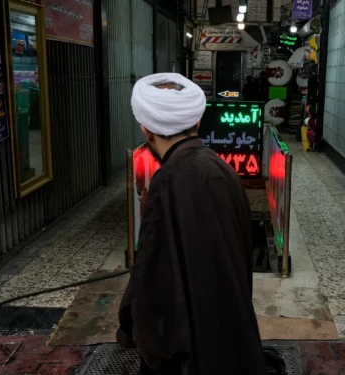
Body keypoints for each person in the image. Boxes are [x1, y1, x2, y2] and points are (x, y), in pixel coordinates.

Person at [118, 72, 267, 375]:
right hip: (232, 334)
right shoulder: (223, 169)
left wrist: (130, 327)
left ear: (146, 131)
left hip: (188, 351)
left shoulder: (166, 182)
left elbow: (152, 277)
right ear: (197, 123)